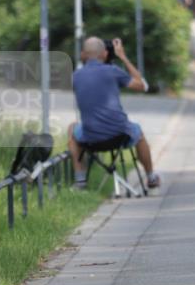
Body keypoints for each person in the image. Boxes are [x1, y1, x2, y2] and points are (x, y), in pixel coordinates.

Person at [68, 36, 160, 191]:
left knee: (72, 128)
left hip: (90, 137)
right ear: (104, 54)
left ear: (83, 54)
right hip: (119, 134)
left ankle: (80, 180)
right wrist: (122, 56)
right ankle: (151, 177)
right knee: (139, 132)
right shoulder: (113, 71)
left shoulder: (75, 77)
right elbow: (142, 86)